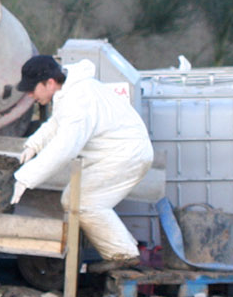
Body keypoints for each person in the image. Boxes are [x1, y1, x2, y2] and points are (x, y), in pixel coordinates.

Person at [10, 55, 150, 267]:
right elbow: (56, 123)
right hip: (119, 153)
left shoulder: (78, 99)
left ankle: (124, 255)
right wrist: (34, 144)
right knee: (76, 200)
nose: (30, 95)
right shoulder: (70, 91)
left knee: (82, 202)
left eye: (32, 89)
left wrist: (26, 178)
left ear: (49, 82)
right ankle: (124, 249)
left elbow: (64, 148)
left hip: (124, 156)